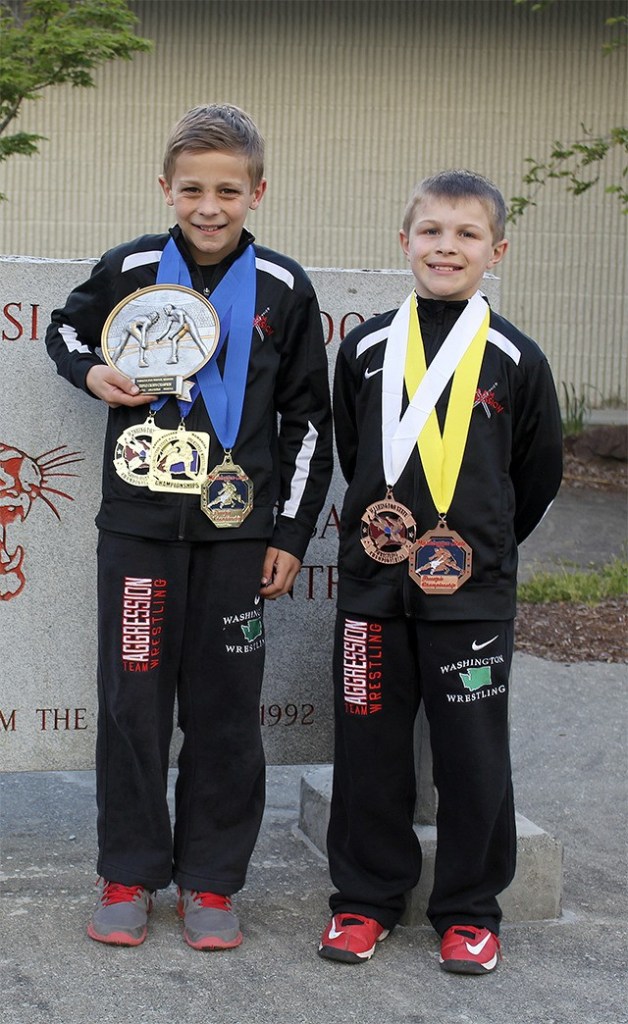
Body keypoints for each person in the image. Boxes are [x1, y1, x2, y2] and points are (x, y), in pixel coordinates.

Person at [45, 103, 332, 950]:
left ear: (257, 193)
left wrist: (288, 534)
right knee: (134, 702)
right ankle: (128, 872)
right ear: (166, 188)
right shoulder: (131, 266)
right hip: (138, 523)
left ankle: (211, 883)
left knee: (226, 708)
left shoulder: (282, 286)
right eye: (193, 189)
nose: (210, 206)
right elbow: (63, 328)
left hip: (239, 536)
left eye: (228, 191)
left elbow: (308, 421)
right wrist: (92, 370)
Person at [318, 169, 562, 974]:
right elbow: (356, 456)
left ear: (497, 250)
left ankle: (468, 910)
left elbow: (538, 472)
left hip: (470, 597)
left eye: (465, 235)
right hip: (373, 587)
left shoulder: (515, 358)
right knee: (367, 749)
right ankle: (363, 902)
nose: (446, 247)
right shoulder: (362, 348)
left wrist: (478, 549)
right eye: (431, 232)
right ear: (404, 242)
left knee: (473, 755)